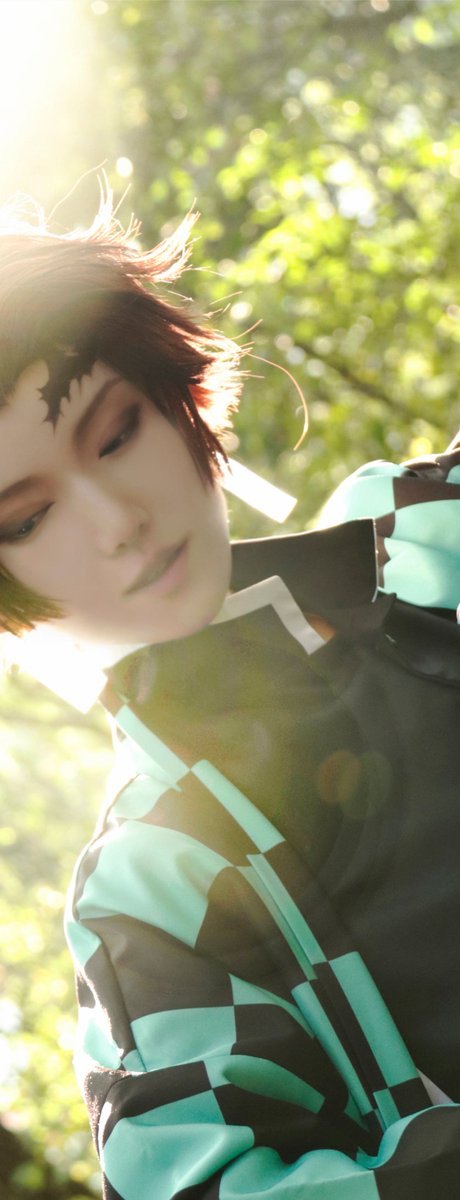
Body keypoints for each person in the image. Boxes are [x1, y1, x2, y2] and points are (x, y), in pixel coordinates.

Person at [2, 191, 460, 1200]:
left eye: (115, 433)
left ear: (180, 397)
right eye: (28, 518)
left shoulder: (438, 527)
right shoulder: (149, 896)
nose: (116, 521)